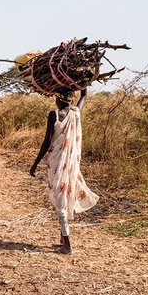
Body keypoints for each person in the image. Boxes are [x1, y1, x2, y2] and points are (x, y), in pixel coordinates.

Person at [30, 87, 99, 254]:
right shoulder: (76, 113)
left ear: (59, 99)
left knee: (60, 198)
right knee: (64, 194)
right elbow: (84, 96)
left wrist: (35, 163)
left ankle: (67, 244)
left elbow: (46, 142)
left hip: (58, 163)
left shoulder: (54, 115)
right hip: (70, 164)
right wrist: (83, 82)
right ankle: (63, 236)